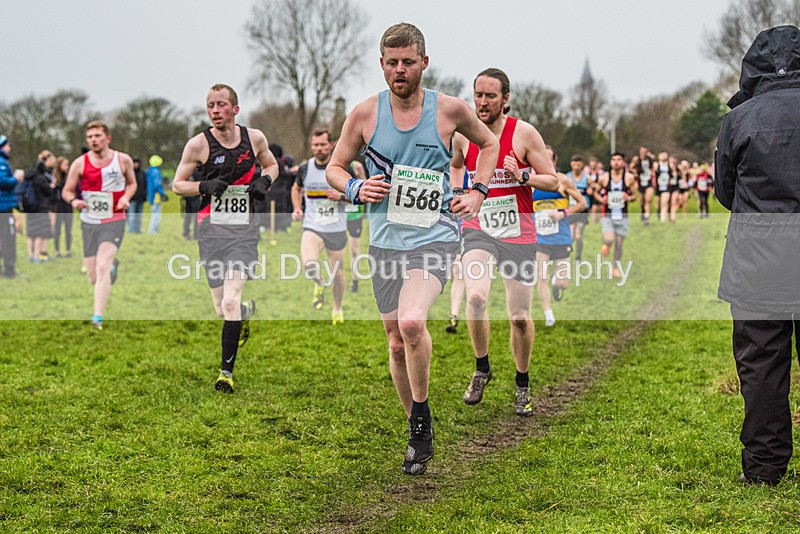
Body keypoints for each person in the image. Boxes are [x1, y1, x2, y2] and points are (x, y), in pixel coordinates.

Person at [326, 23, 499, 475]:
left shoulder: (449, 110)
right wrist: (355, 187)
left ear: (424, 61)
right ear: (381, 64)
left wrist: (478, 190)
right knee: (395, 344)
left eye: (407, 61)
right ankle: (417, 426)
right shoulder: (365, 115)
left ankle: (419, 417)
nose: (399, 70)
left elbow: (488, 143)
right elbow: (334, 168)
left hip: (435, 236)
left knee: (411, 322)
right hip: (384, 243)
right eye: (391, 62)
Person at [715, 25, 800, 486]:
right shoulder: (741, 118)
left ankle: (765, 468)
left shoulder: (740, 119)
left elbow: (726, 191)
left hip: (758, 255)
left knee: (762, 364)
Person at [451, 68, 558, 416]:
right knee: (477, 296)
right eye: (478, 95)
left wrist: (522, 175)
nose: (482, 102)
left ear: (506, 99)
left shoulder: (524, 134)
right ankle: (482, 368)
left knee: (519, 318)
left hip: (518, 231)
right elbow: (455, 166)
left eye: (490, 96)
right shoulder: (464, 135)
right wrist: (457, 192)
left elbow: (553, 181)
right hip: (478, 226)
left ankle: (522, 382)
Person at [172, 83, 278, 394]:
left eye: (221, 104)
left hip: (243, 234)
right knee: (222, 307)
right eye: (210, 106)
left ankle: (225, 374)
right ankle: (243, 315)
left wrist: (264, 180)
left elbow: (271, 164)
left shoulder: (254, 138)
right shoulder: (198, 145)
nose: (215, 111)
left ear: (235, 108)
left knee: (230, 300)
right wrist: (203, 186)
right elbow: (178, 184)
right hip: (209, 233)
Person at [62, 121, 137, 330]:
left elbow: (132, 183)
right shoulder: (79, 163)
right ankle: (113, 267)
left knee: (102, 265)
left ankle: (98, 317)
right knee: (92, 275)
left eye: (97, 136)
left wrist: (126, 198)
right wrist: (74, 201)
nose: (93, 140)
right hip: (89, 221)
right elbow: (67, 190)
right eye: (90, 137)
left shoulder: (122, 160)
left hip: (114, 220)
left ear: (108, 138)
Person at [292, 128, 349, 323]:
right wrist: (297, 208)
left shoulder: (341, 168)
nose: (318, 149)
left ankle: (337, 308)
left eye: (322, 145)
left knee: (338, 275)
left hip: (336, 228)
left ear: (331, 145)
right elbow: (296, 188)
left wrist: (341, 196)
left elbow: (357, 195)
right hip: (313, 226)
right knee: (309, 265)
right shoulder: (305, 168)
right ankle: (318, 283)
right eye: (315, 145)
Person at [534, 147, 586, 327]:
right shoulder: (531, 181)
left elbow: (582, 203)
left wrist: (564, 213)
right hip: (540, 238)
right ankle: (548, 314)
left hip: (561, 236)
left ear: (554, 161)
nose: (544, 162)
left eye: (549, 159)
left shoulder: (563, 180)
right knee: (542, 277)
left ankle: (558, 284)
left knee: (563, 283)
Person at [594, 153, 637, 278]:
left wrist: (628, 197)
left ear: (624, 162)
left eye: (619, 160)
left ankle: (615, 267)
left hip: (622, 216)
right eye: (613, 160)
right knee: (609, 239)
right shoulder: (604, 178)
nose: (616, 162)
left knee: (619, 244)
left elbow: (634, 196)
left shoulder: (629, 178)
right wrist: (602, 200)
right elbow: (596, 192)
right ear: (610, 162)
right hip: (608, 215)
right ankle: (606, 245)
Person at [25, 151, 57, 263]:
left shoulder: (28, 177)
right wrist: (51, 187)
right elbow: (48, 192)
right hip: (41, 208)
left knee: (30, 233)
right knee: (39, 233)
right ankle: (36, 255)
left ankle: (30, 255)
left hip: (29, 207)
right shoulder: (41, 178)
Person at [0, 134, 20, 277]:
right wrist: (16, 178)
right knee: (8, 238)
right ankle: (9, 270)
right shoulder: (1, 162)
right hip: (4, 208)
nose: (9, 148)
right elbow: (3, 181)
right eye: (7, 145)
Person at [346, 161, 367, 293]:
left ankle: (355, 281)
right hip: (338, 216)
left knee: (354, 250)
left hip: (355, 215)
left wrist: (360, 177)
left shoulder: (357, 165)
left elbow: (365, 189)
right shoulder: (333, 166)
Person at [566, 154, 591, 262]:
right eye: (574, 164)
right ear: (571, 165)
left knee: (578, 235)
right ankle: (565, 255)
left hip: (582, 210)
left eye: (579, 165)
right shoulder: (567, 177)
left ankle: (578, 256)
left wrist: (591, 191)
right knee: (571, 236)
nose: (576, 167)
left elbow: (593, 188)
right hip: (571, 209)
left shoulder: (586, 178)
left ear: (582, 165)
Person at [53, 156, 74, 257]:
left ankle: (68, 250)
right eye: (65, 164)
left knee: (68, 229)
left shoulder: (70, 176)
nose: (67, 166)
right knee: (57, 229)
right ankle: (57, 250)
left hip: (68, 206)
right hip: (58, 206)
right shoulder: (55, 177)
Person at [630, 146, 655, 225]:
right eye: (642, 151)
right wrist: (634, 173)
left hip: (649, 181)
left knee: (648, 199)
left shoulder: (650, 159)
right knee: (642, 201)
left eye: (645, 151)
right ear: (640, 151)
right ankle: (643, 212)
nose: (644, 153)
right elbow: (631, 168)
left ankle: (647, 218)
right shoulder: (637, 159)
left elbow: (654, 166)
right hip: (640, 182)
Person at [146, 155, 166, 234]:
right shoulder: (156, 172)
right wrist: (162, 193)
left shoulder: (149, 171)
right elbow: (157, 184)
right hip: (156, 195)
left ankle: (153, 231)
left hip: (150, 195)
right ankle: (153, 231)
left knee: (153, 212)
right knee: (156, 214)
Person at [128, 157, 147, 233]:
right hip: (132, 198)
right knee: (132, 215)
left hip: (140, 198)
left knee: (139, 216)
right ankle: (131, 230)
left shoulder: (142, 174)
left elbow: (145, 185)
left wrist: (145, 195)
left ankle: (138, 230)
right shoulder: (129, 174)